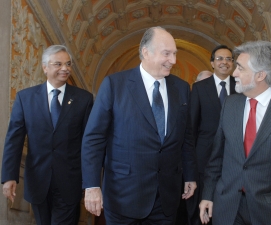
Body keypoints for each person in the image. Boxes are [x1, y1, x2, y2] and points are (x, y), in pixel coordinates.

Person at [81, 26, 197, 224]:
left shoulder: (182, 88)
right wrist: (92, 186)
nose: (173, 61)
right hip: (123, 197)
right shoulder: (114, 85)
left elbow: (185, 137)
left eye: (175, 54)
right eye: (166, 53)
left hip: (166, 199)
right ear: (145, 52)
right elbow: (94, 138)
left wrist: (190, 175)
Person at [199, 41, 271, 225]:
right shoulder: (230, 105)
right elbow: (217, 158)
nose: (234, 73)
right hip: (227, 209)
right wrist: (208, 195)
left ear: (260, 75)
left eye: (240, 68)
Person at [1, 45, 94, 225]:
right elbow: (14, 139)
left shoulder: (84, 99)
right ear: (45, 67)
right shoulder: (25, 98)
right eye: (58, 64)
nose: (65, 68)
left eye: (68, 64)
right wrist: (9, 177)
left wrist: (91, 182)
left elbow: (89, 143)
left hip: (70, 181)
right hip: (38, 180)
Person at [186, 45, 236, 225]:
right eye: (220, 58)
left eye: (228, 59)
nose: (224, 62)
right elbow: (191, 128)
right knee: (200, 212)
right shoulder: (199, 88)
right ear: (212, 63)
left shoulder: (242, 87)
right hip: (204, 160)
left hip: (234, 159)